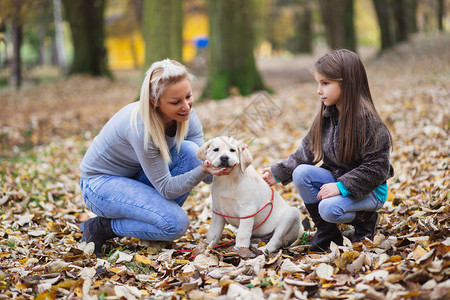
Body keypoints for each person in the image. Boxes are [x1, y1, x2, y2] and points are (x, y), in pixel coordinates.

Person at [79, 59, 231, 256]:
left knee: (191, 151)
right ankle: (102, 226)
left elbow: (205, 167)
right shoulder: (141, 128)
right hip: (100, 185)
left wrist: (227, 161)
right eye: (176, 102)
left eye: (189, 96)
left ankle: (155, 223)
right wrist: (203, 170)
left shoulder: (187, 115)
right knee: (175, 225)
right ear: (154, 101)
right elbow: (168, 188)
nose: (186, 106)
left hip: (137, 177)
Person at [262, 49, 394, 252]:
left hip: (371, 190)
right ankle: (327, 233)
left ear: (347, 83)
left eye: (325, 83)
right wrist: (278, 173)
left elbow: (377, 168)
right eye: (318, 83)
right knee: (301, 172)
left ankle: (365, 219)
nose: (318, 90)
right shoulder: (327, 116)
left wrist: (341, 187)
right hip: (339, 179)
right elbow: (306, 152)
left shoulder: (369, 123)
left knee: (328, 208)